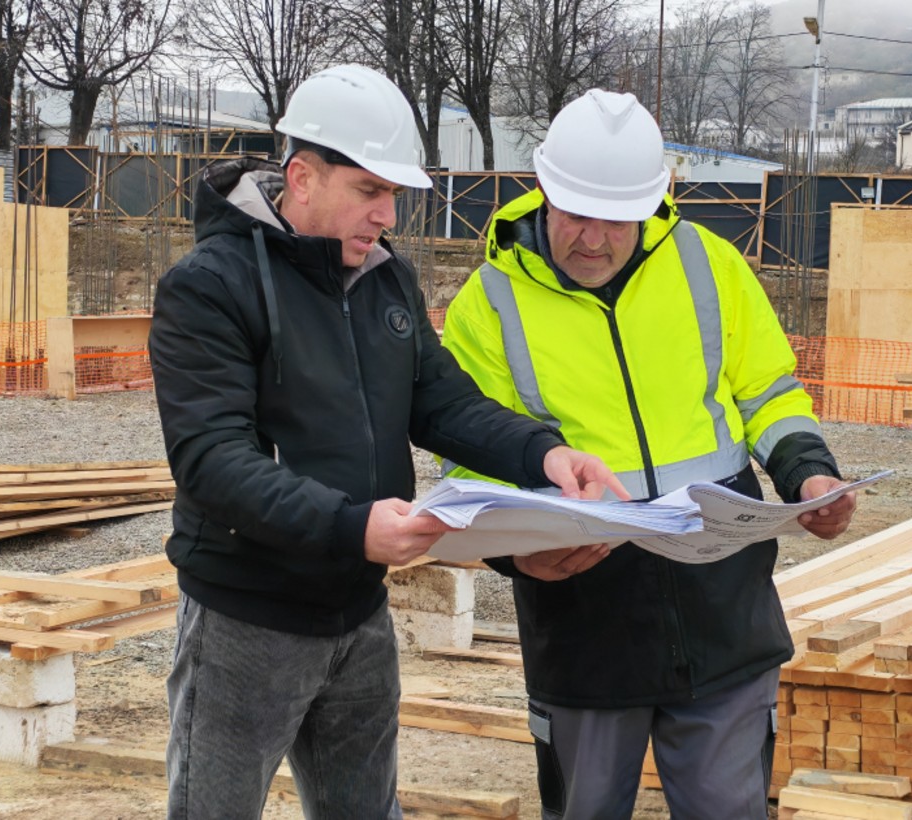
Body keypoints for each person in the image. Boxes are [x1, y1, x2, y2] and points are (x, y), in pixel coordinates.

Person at [147, 65, 624, 820]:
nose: (387, 214)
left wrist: (543, 453)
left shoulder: (384, 278)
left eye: (394, 193)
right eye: (369, 190)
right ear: (302, 178)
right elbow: (213, 461)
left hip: (359, 612)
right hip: (247, 620)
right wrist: (350, 526)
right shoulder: (210, 285)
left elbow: (442, 402)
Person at [441, 89, 858, 819]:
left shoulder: (710, 265)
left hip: (724, 610)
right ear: (543, 191)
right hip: (584, 621)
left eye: (617, 220)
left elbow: (767, 391)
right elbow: (471, 458)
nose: (594, 240)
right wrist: (518, 558)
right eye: (577, 214)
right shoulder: (490, 301)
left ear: (654, 202)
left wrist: (807, 473)